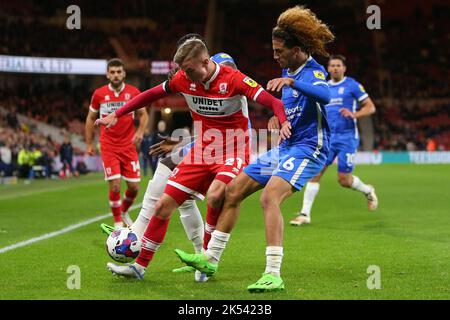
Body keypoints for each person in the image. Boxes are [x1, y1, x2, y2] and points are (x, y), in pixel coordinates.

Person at [96, 34, 290, 280]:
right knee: (163, 205)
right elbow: (150, 95)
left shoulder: (234, 79)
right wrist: (119, 113)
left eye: (189, 70)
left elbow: (275, 102)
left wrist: (282, 123)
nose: (185, 76)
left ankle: (206, 259)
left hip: (233, 151)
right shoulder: (182, 78)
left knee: (217, 194)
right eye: (182, 71)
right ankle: (139, 267)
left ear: (206, 62)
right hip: (201, 152)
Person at [175, 6, 335, 292]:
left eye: (279, 51)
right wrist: (279, 115)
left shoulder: (312, 71)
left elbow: (326, 95)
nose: (275, 56)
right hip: (286, 147)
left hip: (309, 148)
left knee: (269, 198)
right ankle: (210, 259)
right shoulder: (289, 68)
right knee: (232, 191)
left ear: (296, 49)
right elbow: (292, 104)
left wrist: (292, 81)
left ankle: (273, 273)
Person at [290, 55, 378, 226]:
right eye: (332, 65)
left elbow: (370, 107)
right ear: (328, 69)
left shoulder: (352, 85)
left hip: (347, 138)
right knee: (315, 173)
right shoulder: (323, 87)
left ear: (344, 68)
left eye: (339, 65)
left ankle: (368, 190)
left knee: (344, 180)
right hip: (327, 138)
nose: (335, 68)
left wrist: (355, 114)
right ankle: (305, 214)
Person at [85, 58, 149, 228]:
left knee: (134, 187)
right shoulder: (99, 94)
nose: (116, 75)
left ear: (124, 74)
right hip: (108, 145)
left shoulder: (134, 92)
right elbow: (91, 118)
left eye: (119, 71)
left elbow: (144, 115)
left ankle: (124, 211)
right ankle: (118, 223)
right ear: (107, 74)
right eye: (112, 72)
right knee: (115, 186)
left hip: (128, 145)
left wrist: (140, 132)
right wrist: (89, 144)